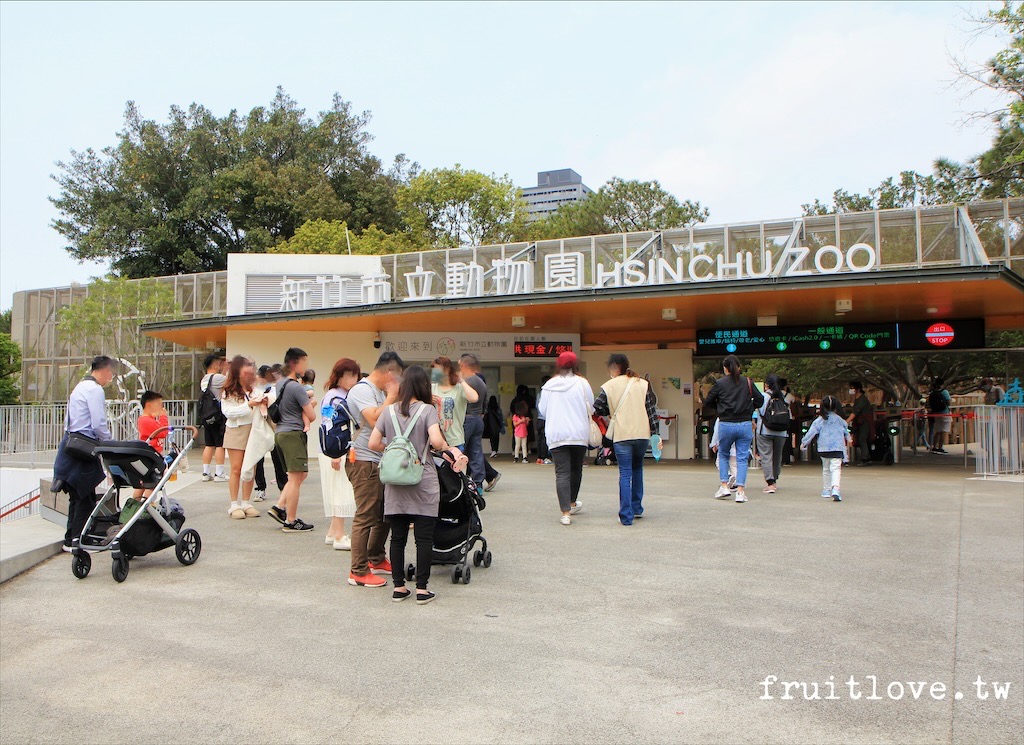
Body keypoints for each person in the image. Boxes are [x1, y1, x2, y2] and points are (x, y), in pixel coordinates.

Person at [369, 365, 469, 604]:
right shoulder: (427, 410)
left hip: (395, 482)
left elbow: (373, 443)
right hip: (422, 479)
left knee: (397, 538)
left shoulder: (389, 411)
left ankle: (399, 587)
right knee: (424, 538)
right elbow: (435, 440)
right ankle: (422, 590)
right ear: (424, 386)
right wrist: (445, 448)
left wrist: (393, 451)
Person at [346, 351, 404, 588]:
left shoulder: (378, 392)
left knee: (384, 514)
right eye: (397, 377)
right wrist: (391, 396)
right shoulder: (362, 390)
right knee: (366, 516)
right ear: (389, 372)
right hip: (364, 461)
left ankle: (376, 558)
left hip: (379, 460)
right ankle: (357, 571)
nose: (398, 382)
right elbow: (373, 420)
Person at [53, 356, 117, 551]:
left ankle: (69, 539)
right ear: (105, 370)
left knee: (78, 494)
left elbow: (69, 420)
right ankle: (77, 540)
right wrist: (110, 442)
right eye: (111, 373)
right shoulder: (95, 389)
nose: (111, 377)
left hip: (71, 444)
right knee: (84, 497)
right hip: (84, 447)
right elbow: (98, 423)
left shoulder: (80, 386)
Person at [593, 353, 661, 525]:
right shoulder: (642, 384)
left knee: (625, 474)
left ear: (612, 368)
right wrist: (655, 433)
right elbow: (651, 410)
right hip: (641, 434)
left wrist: (611, 411)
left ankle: (626, 515)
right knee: (637, 469)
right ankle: (636, 508)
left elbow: (597, 407)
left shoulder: (609, 386)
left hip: (622, 435)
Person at [537, 352, 594, 525]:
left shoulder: (549, 385)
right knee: (576, 469)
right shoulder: (583, 383)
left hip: (557, 434)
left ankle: (565, 513)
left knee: (562, 472)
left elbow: (543, 411)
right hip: (579, 433)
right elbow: (590, 408)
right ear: (575, 365)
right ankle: (571, 502)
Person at [266, 347, 316, 532]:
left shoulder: (281, 384)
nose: (307, 366)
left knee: (300, 475)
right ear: (295, 363)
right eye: (304, 362)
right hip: (294, 433)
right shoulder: (297, 387)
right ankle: (290, 520)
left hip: (280, 433)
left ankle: (279, 507)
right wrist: (311, 404)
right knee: (295, 479)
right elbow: (311, 416)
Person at [703, 355, 764, 504]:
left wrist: (720, 407)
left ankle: (724, 486)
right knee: (742, 458)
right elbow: (760, 400)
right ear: (739, 367)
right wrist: (749, 409)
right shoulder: (747, 382)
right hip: (744, 424)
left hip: (726, 423)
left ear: (725, 368)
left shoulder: (720, 384)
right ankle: (740, 491)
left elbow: (708, 401)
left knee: (723, 455)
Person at [320, 358, 361, 551]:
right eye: (349, 375)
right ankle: (339, 535)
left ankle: (332, 532)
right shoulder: (335, 396)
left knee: (339, 490)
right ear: (340, 376)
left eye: (354, 375)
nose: (353, 379)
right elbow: (328, 423)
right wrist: (335, 454)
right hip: (336, 449)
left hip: (335, 449)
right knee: (341, 492)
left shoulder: (338, 394)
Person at [221, 355, 261, 520]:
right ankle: (234, 504)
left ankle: (246, 502)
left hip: (254, 430)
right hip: (236, 431)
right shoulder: (228, 391)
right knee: (236, 468)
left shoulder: (254, 390)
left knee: (251, 468)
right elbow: (228, 412)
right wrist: (249, 405)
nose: (249, 373)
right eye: (246, 370)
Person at [459, 354, 501, 491]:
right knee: (476, 451)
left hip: (467, 418)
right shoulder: (481, 382)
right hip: (478, 419)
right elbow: (485, 404)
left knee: (457, 450)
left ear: (465, 366)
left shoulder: (467, 382)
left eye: (460, 366)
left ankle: (455, 481)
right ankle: (477, 484)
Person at [801, 395, 852, 502]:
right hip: (837, 447)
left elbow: (811, 433)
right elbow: (845, 429)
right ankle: (836, 489)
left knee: (826, 469)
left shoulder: (819, 420)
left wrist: (804, 443)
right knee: (836, 469)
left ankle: (826, 490)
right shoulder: (840, 420)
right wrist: (849, 438)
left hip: (824, 448)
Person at [430, 355, 480, 456]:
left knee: (452, 470)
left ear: (447, 369)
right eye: (433, 370)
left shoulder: (458, 388)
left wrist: (461, 381)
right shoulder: (432, 388)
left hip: (455, 440)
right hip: (436, 440)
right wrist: (428, 400)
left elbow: (474, 398)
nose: (434, 373)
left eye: (436, 369)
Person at [134, 390, 169, 501]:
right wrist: (164, 417)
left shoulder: (149, 420)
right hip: (151, 457)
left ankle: (136, 505)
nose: (161, 407)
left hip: (152, 456)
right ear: (149, 404)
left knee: (143, 484)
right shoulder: (145, 420)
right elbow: (163, 432)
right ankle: (145, 506)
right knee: (151, 483)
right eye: (159, 404)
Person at [756, 374, 789, 493]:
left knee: (766, 456)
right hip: (781, 431)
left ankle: (770, 483)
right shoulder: (783, 397)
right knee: (777, 456)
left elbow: (760, 411)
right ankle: (774, 479)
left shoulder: (763, 397)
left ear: (766, 385)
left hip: (765, 429)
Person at [200, 354, 227, 482]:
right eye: (219, 363)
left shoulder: (204, 379)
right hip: (218, 416)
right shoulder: (218, 378)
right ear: (214, 364)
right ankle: (219, 473)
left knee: (209, 444)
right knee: (220, 444)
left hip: (207, 415)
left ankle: (206, 472)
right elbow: (232, 383)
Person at [845, 381, 874, 466]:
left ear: (858, 389)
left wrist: (846, 421)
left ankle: (865, 459)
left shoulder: (862, 399)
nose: (851, 390)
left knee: (862, 439)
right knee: (861, 439)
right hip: (859, 423)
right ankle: (867, 457)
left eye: (852, 388)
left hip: (865, 422)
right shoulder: (858, 399)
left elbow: (855, 412)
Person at [928, 377, 953, 454]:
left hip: (936, 413)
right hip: (944, 412)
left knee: (938, 430)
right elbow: (949, 402)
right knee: (944, 430)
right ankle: (940, 447)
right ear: (943, 384)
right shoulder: (944, 392)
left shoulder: (932, 392)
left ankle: (934, 446)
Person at [535, 376, 552, 464]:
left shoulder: (539, 393)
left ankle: (539, 457)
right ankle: (544, 457)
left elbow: (537, 405)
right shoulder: (548, 393)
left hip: (539, 418)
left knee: (540, 438)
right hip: (546, 419)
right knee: (545, 438)